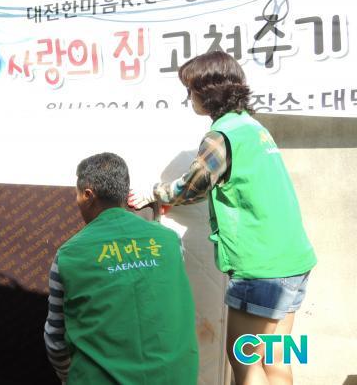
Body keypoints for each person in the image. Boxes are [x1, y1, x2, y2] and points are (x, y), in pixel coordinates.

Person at [128, 51, 317, 385]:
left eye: (190, 90)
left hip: (261, 266)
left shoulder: (223, 134)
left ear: (208, 92)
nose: (188, 98)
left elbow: (193, 186)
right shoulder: (253, 127)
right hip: (295, 260)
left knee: (244, 357)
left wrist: (155, 193)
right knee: (277, 357)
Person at [44, 152, 198, 385]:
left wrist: (68, 377)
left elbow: (55, 340)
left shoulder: (68, 255)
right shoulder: (171, 241)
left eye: (77, 194)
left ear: (88, 195)